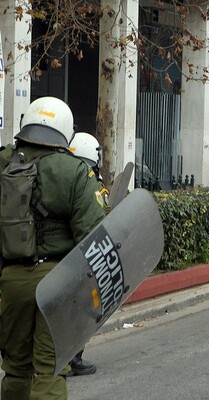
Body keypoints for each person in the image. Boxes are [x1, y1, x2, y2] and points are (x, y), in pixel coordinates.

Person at [0, 97, 105, 399]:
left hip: (12, 281)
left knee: (17, 367)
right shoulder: (74, 171)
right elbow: (93, 236)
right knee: (49, 368)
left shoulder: (5, 162)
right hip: (57, 282)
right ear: (63, 131)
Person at [66, 131, 110, 377]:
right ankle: (73, 357)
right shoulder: (90, 180)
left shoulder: (66, 175)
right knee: (82, 309)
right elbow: (102, 213)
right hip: (83, 255)